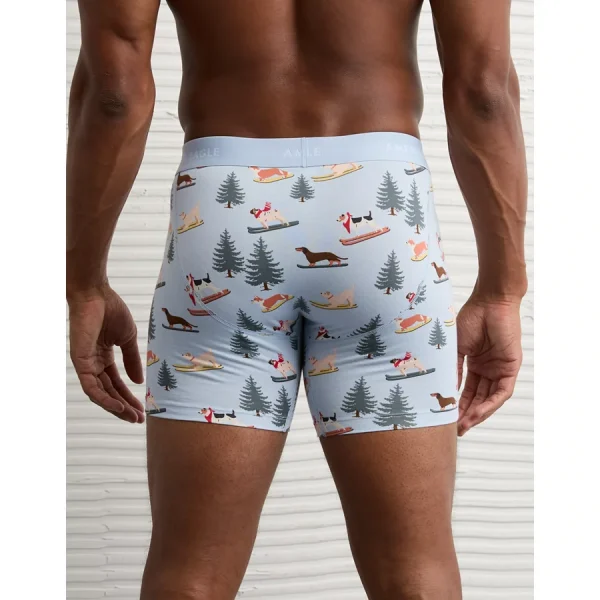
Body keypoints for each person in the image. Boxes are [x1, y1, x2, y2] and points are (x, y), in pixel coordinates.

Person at [66, 1, 527, 598]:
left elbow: (113, 95)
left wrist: (84, 284)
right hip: (382, 208)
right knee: (415, 569)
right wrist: (502, 289)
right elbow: (485, 91)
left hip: (223, 204)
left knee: (191, 573)